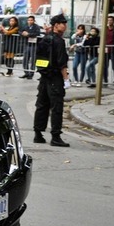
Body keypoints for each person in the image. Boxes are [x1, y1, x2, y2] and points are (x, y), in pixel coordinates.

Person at [32, 14, 71, 147]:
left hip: (44, 78)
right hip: (55, 78)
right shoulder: (59, 41)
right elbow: (62, 63)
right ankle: (55, 136)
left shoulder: (45, 39)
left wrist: (44, 72)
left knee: (42, 105)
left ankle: (38, 134)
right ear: (56, 25)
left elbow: (39, 59)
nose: (65, 26)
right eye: (63, 23)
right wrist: (66, 78)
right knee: (56, 107)